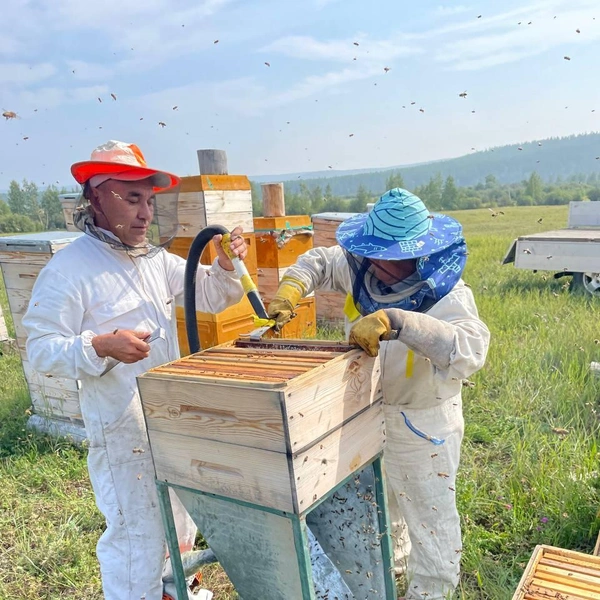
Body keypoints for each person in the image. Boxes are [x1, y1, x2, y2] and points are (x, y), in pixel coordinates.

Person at [22, 140, 248, 600]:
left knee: (179, 519)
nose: (145, 213)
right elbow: (40, 350)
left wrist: (224, 264)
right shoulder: (69, 270)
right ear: (97, 197)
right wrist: (100, 346)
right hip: (122, 430)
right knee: (136, 534)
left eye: (149, 201)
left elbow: (209, 293)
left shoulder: (152, 261)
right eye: (132, 199)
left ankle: (176, 590)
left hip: (167, 415)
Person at [267, 188, 490, 600]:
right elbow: (320, 260)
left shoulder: (449, 294)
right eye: (372, 251)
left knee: (429, 513)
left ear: (418, 254)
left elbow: (469, 351)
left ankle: (431, 591)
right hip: (370, 410)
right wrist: (292, 289)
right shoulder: (360, 267)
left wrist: (399, 321)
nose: (374, 261)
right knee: (383, 502)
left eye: (385, 253)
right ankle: (393, 572)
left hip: (425, 419)